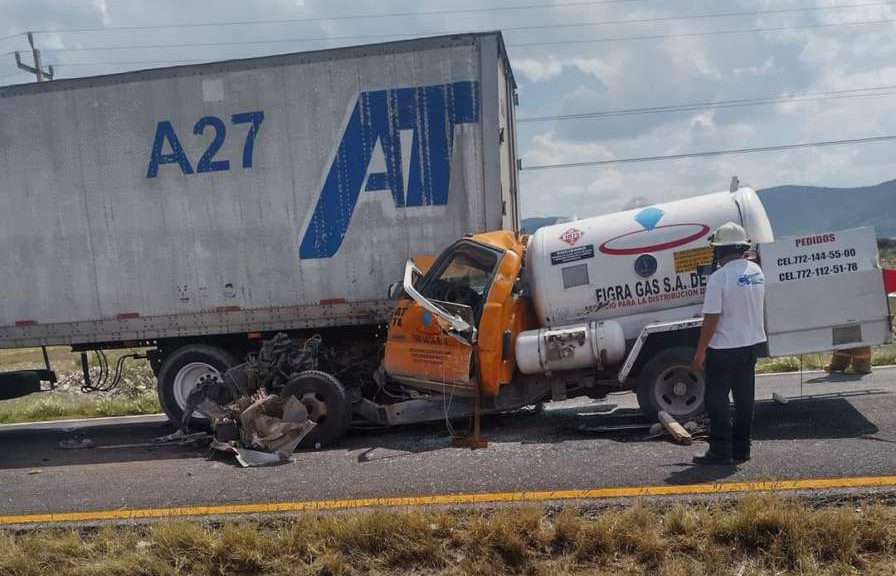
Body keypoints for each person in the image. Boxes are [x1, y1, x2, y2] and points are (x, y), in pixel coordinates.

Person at [692, 222, 767, 465]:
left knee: (717, 401)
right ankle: (742, 449)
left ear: (720, 251)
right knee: (745, 400)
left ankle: (721, 451)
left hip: (724, 349)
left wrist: (700, 352)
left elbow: (711, 318)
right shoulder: (756, 271)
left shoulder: (719, 277)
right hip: (750, 345)